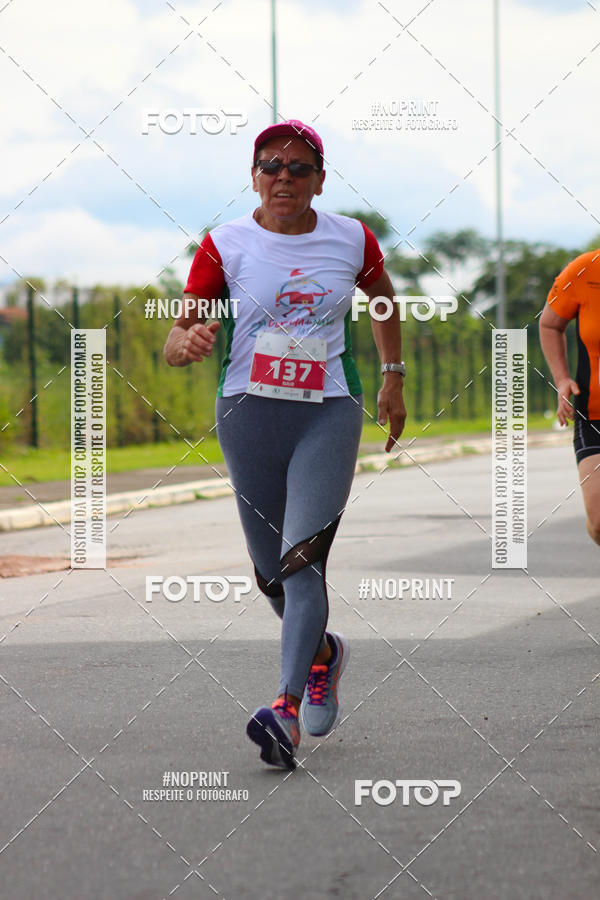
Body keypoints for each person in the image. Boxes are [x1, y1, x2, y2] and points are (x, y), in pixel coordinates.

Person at [164, 119, 406, 769]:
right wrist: (186, 343)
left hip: (328, 414)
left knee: (304, 561)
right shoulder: (224, 244)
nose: (284, 177)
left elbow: (383, 300)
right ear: (254, 178)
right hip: (248, 415)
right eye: (270, 165)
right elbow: (177, 336)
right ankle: (325, 653)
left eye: (299, 168)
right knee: (271, 575)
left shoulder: (351, 238)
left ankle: (285, 708)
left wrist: (393, 377)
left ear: (320, 181)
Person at [539, 249, 600, 545]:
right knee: (599, 522)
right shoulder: (584, 270)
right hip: (594, 413)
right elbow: (550, 324)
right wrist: (562, 378)